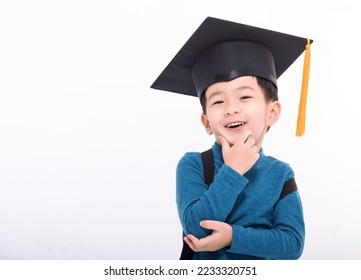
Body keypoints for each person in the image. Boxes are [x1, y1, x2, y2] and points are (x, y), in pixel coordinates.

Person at [151, 17, 312, 260]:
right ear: (206, 123)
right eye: (217, 101)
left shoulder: (280, 174)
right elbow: (196, 229)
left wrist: (232, 237)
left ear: (272, 112)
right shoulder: (193, 164)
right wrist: (233, 171)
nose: (231, 108)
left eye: (245, 97)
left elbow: (292, 244)